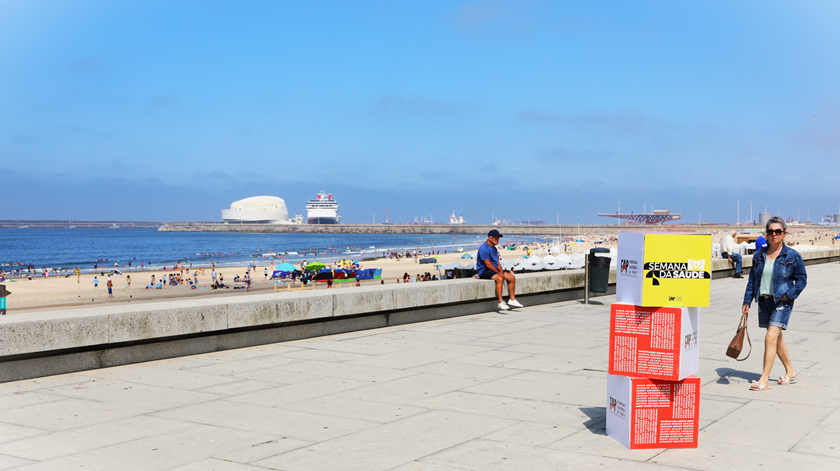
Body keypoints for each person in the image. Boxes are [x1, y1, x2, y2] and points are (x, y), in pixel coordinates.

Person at [742, 217, 807, 391]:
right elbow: (752, 280)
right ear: (767, 234)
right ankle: (790, 371)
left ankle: (763, 379)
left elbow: (802, 279)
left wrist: (788, 295)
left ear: (784, 233)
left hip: (782, 301)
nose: (774, 234)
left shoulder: (791, 255)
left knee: (770, 337)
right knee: (776, 339)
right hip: (763, 300)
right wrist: (747, 300)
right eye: (771, 231)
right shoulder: (759, 254)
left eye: (778, 231)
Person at [477, 229, 522, 310]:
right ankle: (500, 302)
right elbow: (488, 264)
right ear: (489, 238)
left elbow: (497, 262)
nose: (497, 239)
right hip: (484, 271)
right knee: (499, 278)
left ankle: (512, 299)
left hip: (493, 270)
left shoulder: (494, 248)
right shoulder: (483, 248)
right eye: (495, 237)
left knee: (512, 278)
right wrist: (498, 273)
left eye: (498, 238)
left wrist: (501, 271)